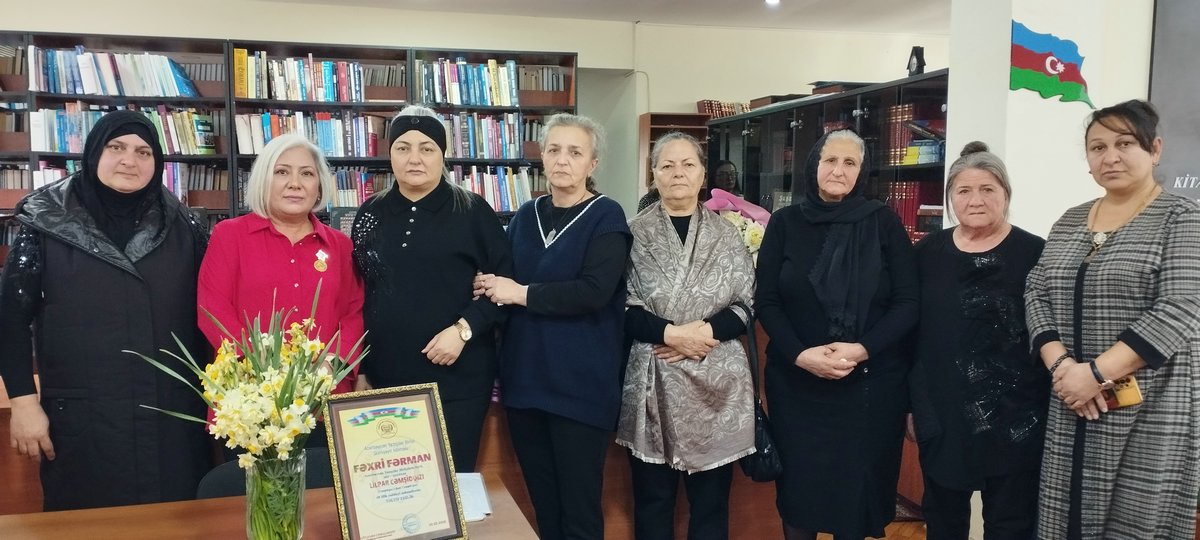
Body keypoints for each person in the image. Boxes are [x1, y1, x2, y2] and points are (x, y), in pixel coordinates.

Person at [0, 111, 212, 510]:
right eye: (117, 147)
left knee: (178, 523)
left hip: (172, 420)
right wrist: (23, 402)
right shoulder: (45, 221)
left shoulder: (186, 226)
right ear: (94, 152)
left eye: (143, 152)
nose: (130, 160)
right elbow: (10, 318)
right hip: (84, 421)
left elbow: (212, 315)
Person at [1026, 99, 1200, 539]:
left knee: (1135, 522)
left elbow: (1181, 307)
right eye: (1098, 147)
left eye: (1125, 144)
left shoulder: (1182, 217)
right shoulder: (1070, 220)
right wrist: (1064, 368)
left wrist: (1096, 374)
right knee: (1065, 519)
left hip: (1149, 403)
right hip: (1072, 397)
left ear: (1155, 149)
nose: (1111, 157)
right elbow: (1036, 291)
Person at [754, 129, 918, 539]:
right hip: (797, 389)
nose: (838, 171)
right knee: (799, 494)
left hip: (868, 388)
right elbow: (767, 301)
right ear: (813, 166)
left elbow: (907, 303)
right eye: (830, 160)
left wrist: (862, 349)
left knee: (855, 499)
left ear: (862, 171)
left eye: (850, 163)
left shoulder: (884, 223)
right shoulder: (785, 223)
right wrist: (800, 355)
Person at [475, 113, 631, 540]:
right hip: (526, 383)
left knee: (580, 512)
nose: (563, 160)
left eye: (575, 152)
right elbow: (505, 280)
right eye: (554, 150)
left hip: (580, 387)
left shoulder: (607, 216)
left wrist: (519, 293)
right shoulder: (526, 216)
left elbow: (594, 291)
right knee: (544, 507)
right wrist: (489, 284)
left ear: (592, 163)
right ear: (542, 156)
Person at [350, 105, 511, 473]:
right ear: (390, 154)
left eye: (427, 148)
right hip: (384, 379)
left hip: (458, 379)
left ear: (442, 155)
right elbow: (360, 294)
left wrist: (463, 330)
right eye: (403, 148)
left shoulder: (474, 211)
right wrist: (360, 368)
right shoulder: (369, 213)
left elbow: (504, 288)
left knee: (452, 484)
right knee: (393, 484)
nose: (415, 158)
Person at [617, 131, 755, 540]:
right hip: (653, 379)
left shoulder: (727, 234)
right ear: (653, 175)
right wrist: (672, 334)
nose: (678, 173)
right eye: (667, 165)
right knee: (653, 501)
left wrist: (703, 333)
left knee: (711, 505)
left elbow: (746, 303)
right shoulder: (630, 234)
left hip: (717, 383)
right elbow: (621, 305)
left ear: (702, 175)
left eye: (687, 164)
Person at [910, 142, 1046, 539]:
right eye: (964, 190)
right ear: (950, 197)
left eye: (988, 189)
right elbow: (912, 336)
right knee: (943, 521)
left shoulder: (1036, 252)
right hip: (943, 413)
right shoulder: (926, 254)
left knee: (1011, 525)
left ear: (1006, 194)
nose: (975, 200)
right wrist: (911, 406)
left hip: (1018, 416)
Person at [197, 133, 364, 451]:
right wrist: (259, 363)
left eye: (307, 173)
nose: (295, 183)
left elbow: (353, 312)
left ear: (319, 186)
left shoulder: (340, 245)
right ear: (264, 179)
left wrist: (331, 364)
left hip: (323, 397)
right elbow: (212, 308)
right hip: (251, 401)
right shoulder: (229, 236)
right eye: (282, 171)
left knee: (324, 482)